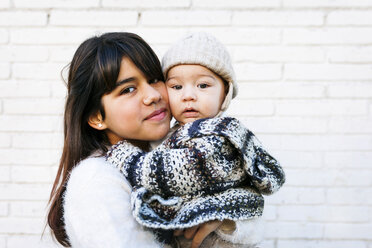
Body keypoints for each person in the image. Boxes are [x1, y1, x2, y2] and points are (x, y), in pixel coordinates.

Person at [47, 32, 228, 248]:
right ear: (96, 116)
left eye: (153, 79)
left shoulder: (177, 156)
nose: (153, 95)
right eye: (128, 89)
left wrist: (227, 220)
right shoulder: (96, 180)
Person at [106, 32, 286, 247]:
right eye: (176, 86)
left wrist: (125, 155)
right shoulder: (170, 135)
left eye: (202, 86)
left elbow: (174, 171)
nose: (188, 95)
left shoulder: (218, 137)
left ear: (224, 94)